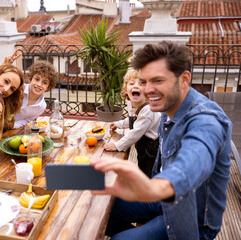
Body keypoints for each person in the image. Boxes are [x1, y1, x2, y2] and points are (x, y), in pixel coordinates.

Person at [91, 41, 232, 240]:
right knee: (105, 206)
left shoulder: (206, 119)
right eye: (144, 81)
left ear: (184, 79)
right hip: (162, 201)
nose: (147, 90)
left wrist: (153, 188)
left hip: (191, 222)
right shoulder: (167, 110)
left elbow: (193, 160)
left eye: (157, 81)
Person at [103, 69, 161, 177]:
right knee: (142, 170)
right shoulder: (131, 104)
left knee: (149, 175)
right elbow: (132, 120)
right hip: (143, 146)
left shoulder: (148, 110)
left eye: (141, 83)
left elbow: (135, 132)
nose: (136, 86)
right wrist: (118, 124)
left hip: (151, 149)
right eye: (132, 83)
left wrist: (117, 145)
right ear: (126, 90)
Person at [13, 60, 58, 129]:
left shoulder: (41, 107)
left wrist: (11, 125)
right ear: (30, 79)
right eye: (37, 79)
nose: (39, 84)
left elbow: (26, 121)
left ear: (48, 87)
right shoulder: (18, 88)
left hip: (12, 130)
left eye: (44, 83)